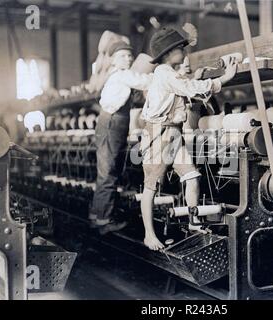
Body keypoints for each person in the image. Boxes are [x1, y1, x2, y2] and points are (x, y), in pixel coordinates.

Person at [140, 27, 237, 250]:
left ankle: (194, 223)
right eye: (180, 48)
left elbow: (184, 84)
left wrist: (197, 76)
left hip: (173, 133)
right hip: (159, 133)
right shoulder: (165, 73)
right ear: (167, 53)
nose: (184, 51)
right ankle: (148, 235)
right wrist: (224, 79)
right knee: (151, 187)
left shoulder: (168, 74)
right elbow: (189, 88)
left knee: (192, 176)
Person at [89, 40, 153, 235]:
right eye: (123, 56)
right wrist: (167, 75)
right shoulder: (122, 75)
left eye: (129, 55)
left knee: (108, 171)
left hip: (112, 123)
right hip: (112, 124)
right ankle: (104, 221)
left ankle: (97, 215)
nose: (129, 58)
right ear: (115, 60)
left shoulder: (115, 75)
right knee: (108, 171)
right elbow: (145, 81)